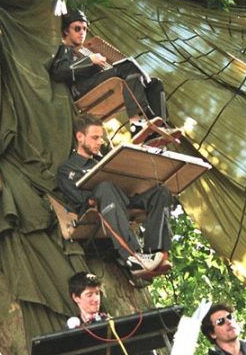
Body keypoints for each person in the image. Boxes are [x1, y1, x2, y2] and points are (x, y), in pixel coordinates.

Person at [57, 114, 173, 276]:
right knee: (105, 187)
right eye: (95, 137)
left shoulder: (104, 160)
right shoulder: (67, 169)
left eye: (101, 137)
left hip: (124, 198)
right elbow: (81, 199)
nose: (100, 142)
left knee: (161, 192)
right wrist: (96, 191)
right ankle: (133, 256)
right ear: (80, 137)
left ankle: (156, 253)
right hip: (97, 206)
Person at [47, 8, 175, 142]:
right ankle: (136, 123)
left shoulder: (83, 51)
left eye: (85, 29)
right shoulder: (63, 48)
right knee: (128, 66)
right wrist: (89, 60)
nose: (82, 32)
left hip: (92, 85)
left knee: (154, 83)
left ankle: (160, 128)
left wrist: (100, 64)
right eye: (77, 29)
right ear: (66, 31)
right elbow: (58, 71)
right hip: (78, 91)